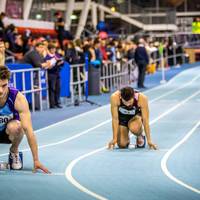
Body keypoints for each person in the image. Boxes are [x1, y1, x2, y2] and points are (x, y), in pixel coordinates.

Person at [0, 65, 50, 173]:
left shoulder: (18, 98)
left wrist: (36, 160)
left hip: (8, 133)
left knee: (18, 126)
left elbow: (29, 130)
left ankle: (14, 151)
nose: (0, 90)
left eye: (4, 86)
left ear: (8, 82)